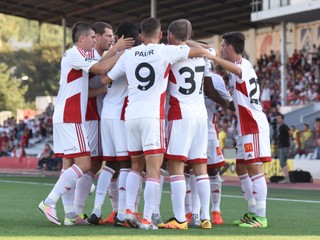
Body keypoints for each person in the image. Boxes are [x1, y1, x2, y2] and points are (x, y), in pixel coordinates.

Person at [101, 17, 209, 230]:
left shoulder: (129, 54)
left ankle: (129, 210)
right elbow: (201, 52)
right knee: (153, 169)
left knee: (134, 166)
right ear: (160, 35)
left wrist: (117, 54)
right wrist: (187, 43)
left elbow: (105, 79)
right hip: (153, 117)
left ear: (141, 36)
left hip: (131, 116)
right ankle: (148, 219)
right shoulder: (164, 51)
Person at [38, 21, 124, 226]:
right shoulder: (73, 54)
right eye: (93, 37)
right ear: (82, 38)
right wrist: (120, 51)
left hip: (70, 115)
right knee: (84, 164)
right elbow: (101, 67)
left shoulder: (87, 55)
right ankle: (49, 201)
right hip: (70, 115)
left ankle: (69, 215)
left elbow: (94, 81)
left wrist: (106, 84)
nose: (95, 40)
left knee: (68, 165)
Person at [204, 31, 271, 228]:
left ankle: (261, 217)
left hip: (253, 125)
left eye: (223, 46)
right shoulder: (238, 69)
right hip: (245, 127)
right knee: (242, 168)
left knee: (255, 169)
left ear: (231, 48)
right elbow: (233, 102)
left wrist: (212, 57)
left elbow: (237, 70)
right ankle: (251, 211)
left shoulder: (242, 67)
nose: (221, 49)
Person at [160, 19, 212, 230]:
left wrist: (183, 41)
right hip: (201, 116)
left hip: (180, 115)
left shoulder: (169, 54)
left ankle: (180, 218)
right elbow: (210, 49)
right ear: (190, 36)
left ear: (170, 35)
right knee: (200, 167)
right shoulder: (204, 55)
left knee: (176, 166)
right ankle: (205, 217)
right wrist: (189, 41)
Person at [87, 20, 138, 226]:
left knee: (110, 165)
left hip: (106, 112)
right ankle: (122, 213)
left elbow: (100, 75)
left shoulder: (110, 57)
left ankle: (97, 209)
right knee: (125, 163)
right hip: (120, 114)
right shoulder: (130, 56)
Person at [204, 70, 234, 225]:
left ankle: (216, 210)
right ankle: (190, 213)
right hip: (185, 128)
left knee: (212, 170)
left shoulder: (215, 78)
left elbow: (230, 103)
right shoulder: (177, 68)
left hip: (208, 130)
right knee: (186, 171)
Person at [276, 114, 291, 183]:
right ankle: (286, 177)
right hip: (281, 146)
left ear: (282, 119)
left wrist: (288, 138)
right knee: (282, 162)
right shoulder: (279, 127)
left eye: (279, 118)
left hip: (284, 146)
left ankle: (287, 178)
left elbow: (290, 132)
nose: (278, 119)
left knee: (283, 162)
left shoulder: (284, 126)